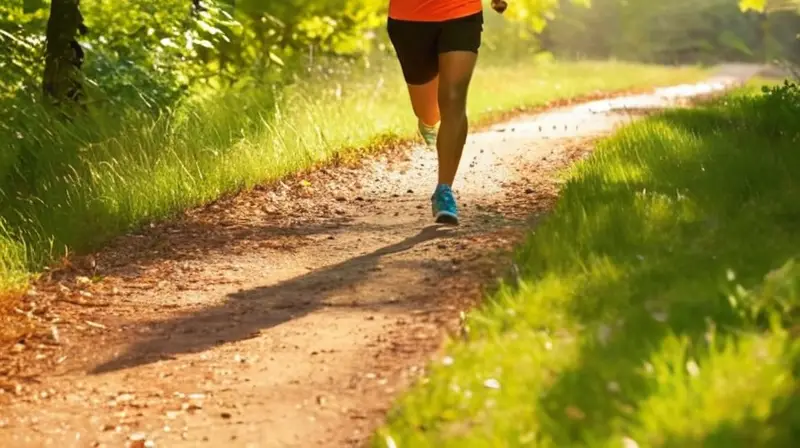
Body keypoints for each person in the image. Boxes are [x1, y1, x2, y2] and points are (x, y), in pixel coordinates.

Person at [386, 0, 507, 226]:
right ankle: (428, 121)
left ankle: (444, 190)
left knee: (453, 97)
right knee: (428, 111)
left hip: (462, 13)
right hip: (409, 18)